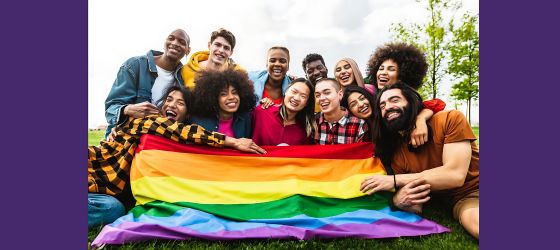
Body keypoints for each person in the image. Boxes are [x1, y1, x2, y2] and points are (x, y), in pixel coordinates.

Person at [89, 86, 266, 229]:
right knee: (112, 209)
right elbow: (182, 131)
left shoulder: (169, 141)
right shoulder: (151, 120)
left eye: (180, 103)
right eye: (169, 100)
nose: (172, 105)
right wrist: (232, 142)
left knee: (114, 207)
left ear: (188, 114)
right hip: (92, 171)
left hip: (101, 188)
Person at [360, 82, 479, 239]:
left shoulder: (449, 118)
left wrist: (394, 181)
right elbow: (416, 205)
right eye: (382, 105)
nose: (387, 107)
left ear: (411, 102)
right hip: (464, 201)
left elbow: (455, 175)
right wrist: (398, 200)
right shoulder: (396, 154)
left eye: (395, 100)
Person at [104, 29, 190, 138]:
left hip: (157, 142)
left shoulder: (184, 78)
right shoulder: (134, 65)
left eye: (182, 42)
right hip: (124, 136)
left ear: (188, 50)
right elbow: (111, 108)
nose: (175, 43)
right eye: (171, 38)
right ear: (165, 42)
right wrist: (128, 110)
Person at [365, 42, 447, 147]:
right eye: (381, 68)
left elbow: (437, 103)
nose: (383, 72)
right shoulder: (374, 94)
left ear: (402, 74)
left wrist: (420, 119)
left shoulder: (409, 97)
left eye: (391, 69)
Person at [190, 69, 256, 138]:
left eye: (234, 93)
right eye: (223, 94)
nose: (231, 97)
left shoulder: (245, 118)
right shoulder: (198, 120)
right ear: (213, 98)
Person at [252, 78, 316, 146]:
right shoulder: (261, 111)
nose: (296, 98)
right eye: (294, 92)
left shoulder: (306, 131)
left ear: (307, 103)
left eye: (303, 96)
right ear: (286, 91)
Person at [314, 78, 368, 145]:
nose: (321, 98)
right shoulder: (313, 122)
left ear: (340, 94)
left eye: (327, 93)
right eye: (317, 95)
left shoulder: (359, 125)